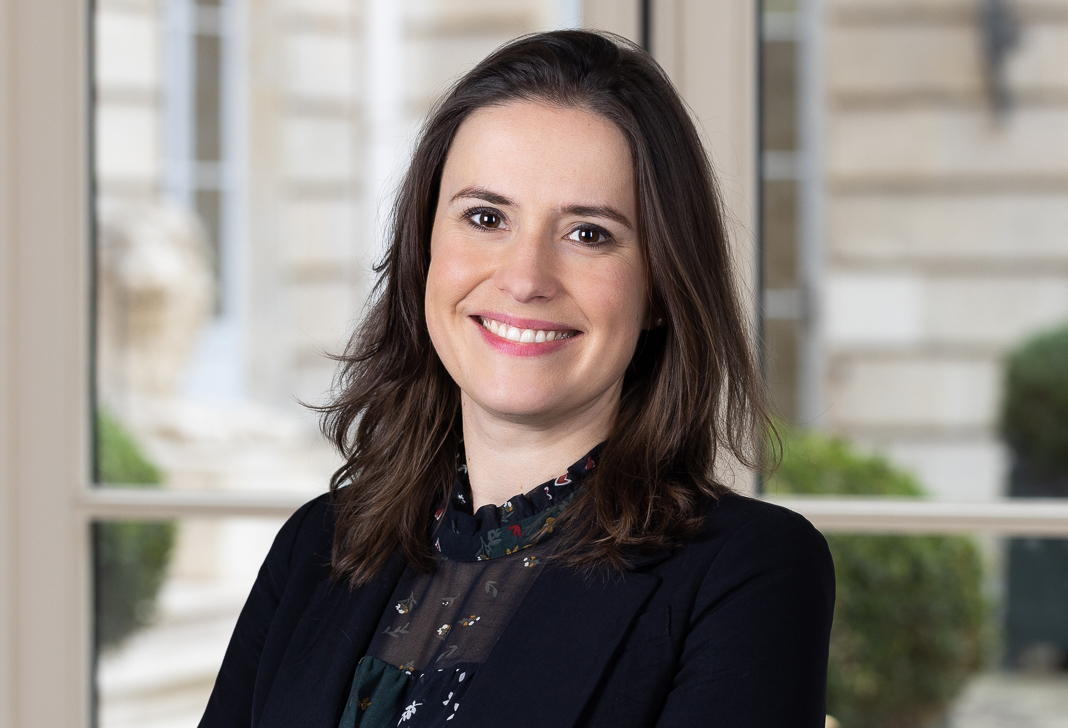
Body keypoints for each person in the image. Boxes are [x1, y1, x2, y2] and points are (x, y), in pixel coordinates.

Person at [199, 30, 834, 728]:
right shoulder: (316, 546)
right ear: (424, 250)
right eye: (486, 217)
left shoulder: (748, 573)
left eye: (588, 233)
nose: (526, 279)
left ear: (659, 287)